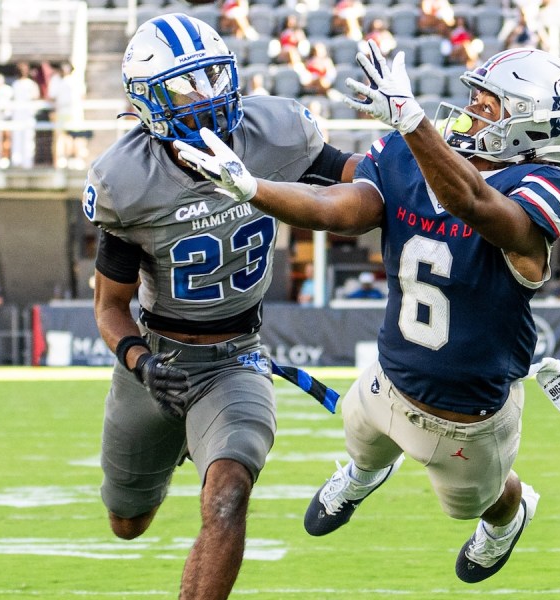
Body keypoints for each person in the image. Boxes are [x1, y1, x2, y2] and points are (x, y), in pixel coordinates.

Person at [175, 43, 560, 583]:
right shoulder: (412, 155)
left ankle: (510, 518)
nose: (471, 112)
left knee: (479, 502)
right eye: (477, 99)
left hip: (467, 417)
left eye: (489, 107)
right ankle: (362, 475)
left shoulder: (544, 188)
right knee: (361, 440)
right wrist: (257, 190)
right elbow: (340, 208)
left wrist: (416, 125)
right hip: (388, 378)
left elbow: (478, 207)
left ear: (531, 129)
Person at [82, 14, 359, 600]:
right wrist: (138, 362)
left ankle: (210, 443)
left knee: (228, 493)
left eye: (212, 75)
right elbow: (111, 307)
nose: (206, 95)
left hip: (236, 360)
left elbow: (356, 179)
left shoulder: (274, 132)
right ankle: (176, 443)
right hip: (157, 361)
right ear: (147, 103)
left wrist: (412, 156)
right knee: (127, 523)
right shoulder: (125, 179)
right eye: (186, 86)